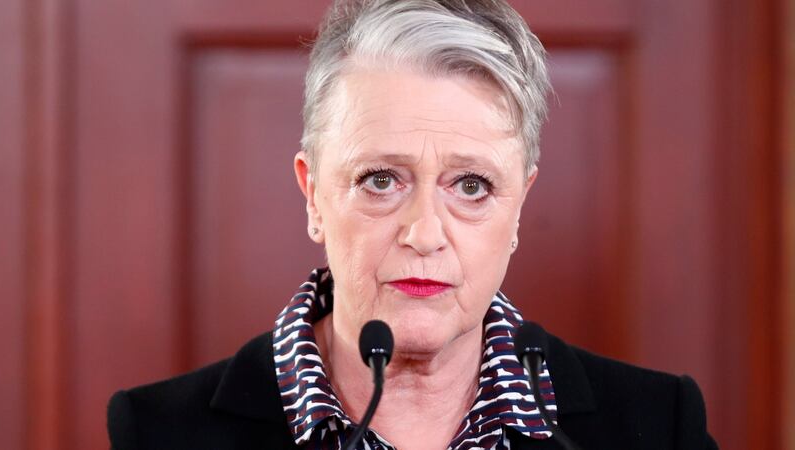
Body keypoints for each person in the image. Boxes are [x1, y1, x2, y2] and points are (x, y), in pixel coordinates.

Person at [107, 1, 718, 449]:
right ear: (314, 194)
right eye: (381, 179)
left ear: (519, 207)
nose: (424, 233)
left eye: (471, 186)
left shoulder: (658, 425)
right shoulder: (159, 432)